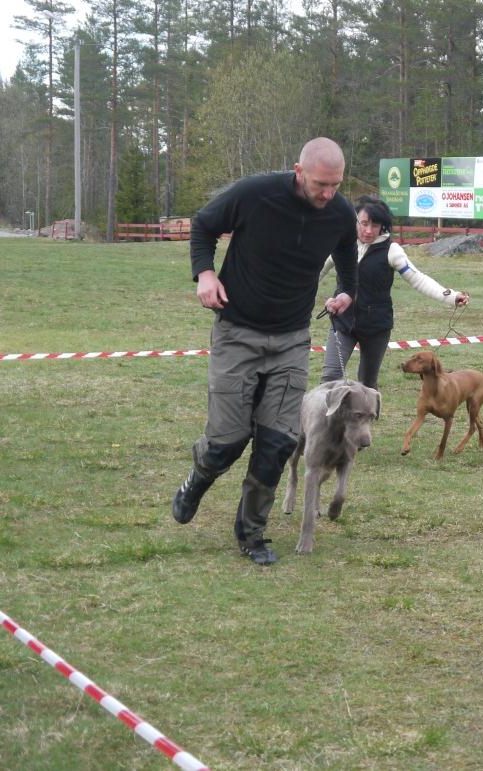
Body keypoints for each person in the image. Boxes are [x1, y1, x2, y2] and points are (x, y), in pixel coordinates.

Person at [171, 137, 358, 566]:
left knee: (277, 442)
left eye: (335, 185)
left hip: (291, 339)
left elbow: (347, 247)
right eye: (319, 184)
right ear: (298, 171)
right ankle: (197, 480)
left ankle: (251, 533)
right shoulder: (255, 194)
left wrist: (347, 288)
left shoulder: (340, 211)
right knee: (227, 442)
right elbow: (203, 224)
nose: (327, 194)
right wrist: (204, 274)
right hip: (238, 332)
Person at [320, 195, 469, 388]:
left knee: (367, 383)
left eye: (375, 225)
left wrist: (452, 296)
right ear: (355, 219)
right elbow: (316, 271)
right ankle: (325, 418)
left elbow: (418, 278)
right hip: (342, 322)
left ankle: (367, 418)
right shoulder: (342, 243)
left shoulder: (392, 250)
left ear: (383, 226)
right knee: (330, 378)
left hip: (376, 327)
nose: (368, 230)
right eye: (363, 223)